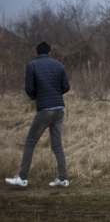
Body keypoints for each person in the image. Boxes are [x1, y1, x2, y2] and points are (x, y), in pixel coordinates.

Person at [5, 42, 70, 188]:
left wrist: (37, 97)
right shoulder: (59, 65)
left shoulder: (31, 65)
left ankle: (22, 178)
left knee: (30, 142)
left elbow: (29, 89)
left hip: (45, 109)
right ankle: (63, 179)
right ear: (49, 53)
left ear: (36, 54)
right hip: (59, 109)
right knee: (57, 145)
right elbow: (66, 87)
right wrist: (55, 94)